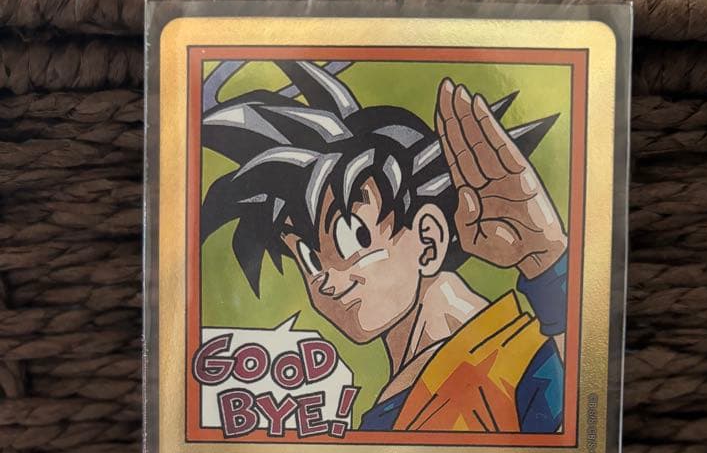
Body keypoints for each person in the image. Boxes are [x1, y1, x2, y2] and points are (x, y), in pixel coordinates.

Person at [202, 61, 568, 434]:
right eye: (309, 260)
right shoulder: (407, 392)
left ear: (428, 240)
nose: (327, 281)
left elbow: (584, 427)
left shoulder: (516, 363)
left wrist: (548, 267)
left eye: (354, 240)